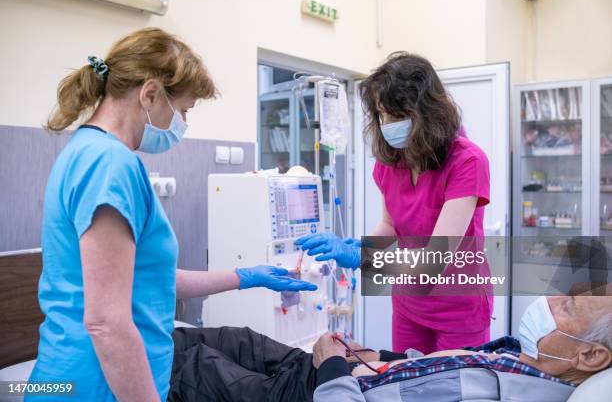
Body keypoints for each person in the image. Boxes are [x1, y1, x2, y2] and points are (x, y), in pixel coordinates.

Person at [26, 28, 316, 402]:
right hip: (97, 385)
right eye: (182, 110)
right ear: (149, 94)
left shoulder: (88, 152)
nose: (182, 122)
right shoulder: (110, 165)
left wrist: (245, 277)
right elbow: (106, 324)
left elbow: (151, 278)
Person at [297, 52, 492, 354]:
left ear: (427, 111)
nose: (387, 124)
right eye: (381, 114)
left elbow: (435, 260)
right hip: (408, 302)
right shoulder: (390, 163)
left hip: (458, 307)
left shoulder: (467, 161)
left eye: (397, 115)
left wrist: (363, 261)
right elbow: (390, 224)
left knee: (453, 389)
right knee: (406, 383)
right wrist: (361, 247)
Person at [165, 296, 611, 402]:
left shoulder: (496, 394)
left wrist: (335, 366)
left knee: (193, 367)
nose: (547, 303)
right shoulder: (518, 360)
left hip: (322, 391)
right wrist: (375, 355)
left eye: (566, 306)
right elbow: (437, 370)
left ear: (590, 356)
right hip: (341, 370)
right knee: (235, 338)